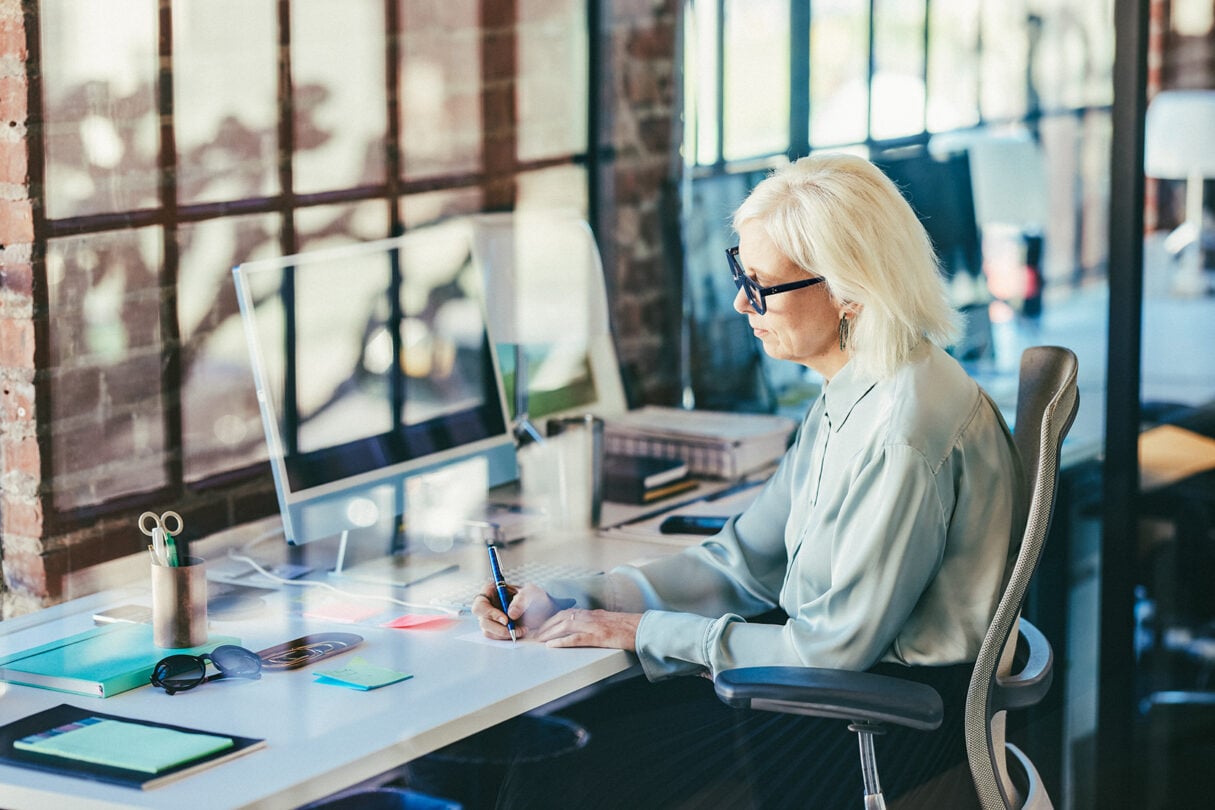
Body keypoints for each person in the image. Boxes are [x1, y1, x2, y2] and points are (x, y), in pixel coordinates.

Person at [471, 152, 1024, 808]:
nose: (739, 301)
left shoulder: (903, 431)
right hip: (833, 696)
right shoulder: (855, 386)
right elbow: (741, 564)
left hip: (873, 727)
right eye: (741, 271)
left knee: (562, 764)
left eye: (759, 284)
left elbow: (828, 653)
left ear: (849, 290)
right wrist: (574, 600)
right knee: (566, 739)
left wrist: (638, 632)